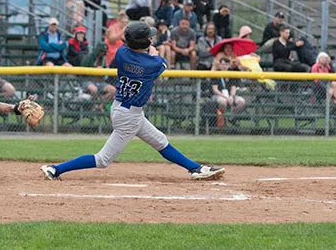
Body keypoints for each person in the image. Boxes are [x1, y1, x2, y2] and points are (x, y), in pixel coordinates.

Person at [40, 22, 225, 181]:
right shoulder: (151, 64)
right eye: (149, 38)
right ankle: (56, 169)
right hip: (128, 116)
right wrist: (152, 51)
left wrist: (148, 50)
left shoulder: (121, 53)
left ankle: (196, 169)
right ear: (144, 42)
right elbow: (161, 63)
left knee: (160, 141)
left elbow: (139, 54)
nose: (152, 40)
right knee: (103, 160)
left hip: (126, 110)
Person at [236, 26, 276, 90]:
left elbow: (249, 52)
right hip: (242, 61)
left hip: (249, 60)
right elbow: (238, 54)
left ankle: (263, 85)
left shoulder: (248, 42)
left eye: (249, 34)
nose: (249, 36)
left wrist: (254, 55)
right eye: (247, 34)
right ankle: (256, 86)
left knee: (257, 68)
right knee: (252, 69)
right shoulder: (238, 42)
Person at [211, 57, 245, 126]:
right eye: (223, 64)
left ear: (229, 65)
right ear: (219, 65)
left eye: (226, 64)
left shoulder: (231, 73)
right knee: (223, 101)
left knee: (241, 101)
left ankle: (231, 118)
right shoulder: (215, 73)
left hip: (229, 95)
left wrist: (231, 96)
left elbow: (233, 88)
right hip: (219, 96)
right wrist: (226, 97)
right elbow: (215, 90)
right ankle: (222, 120)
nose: (224, 66)